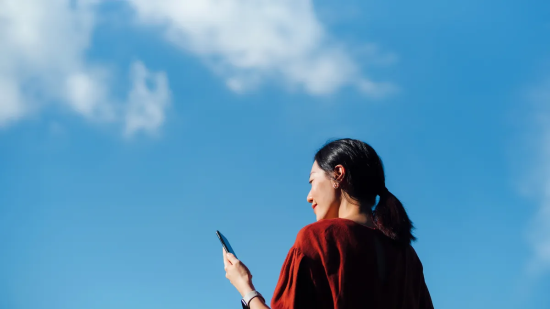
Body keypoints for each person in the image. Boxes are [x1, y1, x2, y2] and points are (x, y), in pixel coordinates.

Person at [223, 138, 434, 309]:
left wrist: (246, 288)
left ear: (338, 174)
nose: (308, 197)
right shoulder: (407, 255)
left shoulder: (317, 238)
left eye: (312, 181)